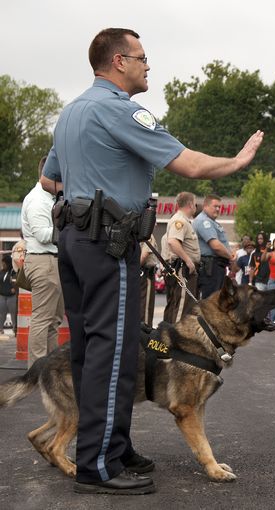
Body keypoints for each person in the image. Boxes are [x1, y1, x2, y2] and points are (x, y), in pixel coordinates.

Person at [40, 28, 262, 494]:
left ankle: (114, 448)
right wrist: (238, 161)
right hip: (108, 244)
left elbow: (48, 180)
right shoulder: (119, 109)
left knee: (92, 348)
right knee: (114, 350)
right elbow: (192, 166)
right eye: (142, 57)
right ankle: (99, 465)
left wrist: (91, 197)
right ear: (118, 61)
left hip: (76, 241)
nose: (148, 65)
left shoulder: (72, 112)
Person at [20, 157, 64, 368]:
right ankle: (36, 371)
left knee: (53, 321)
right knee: (42, 320)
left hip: (51, 262)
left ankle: (49, 370)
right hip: (43, 261)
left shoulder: (49, 198)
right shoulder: (38, 200)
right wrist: (68, 230)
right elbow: (41, 234)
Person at [163, 192, 201, 323]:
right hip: (183, 268)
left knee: (180, 306)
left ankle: (171, 339)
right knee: (181, 308)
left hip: (184, 268)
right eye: (195, 203)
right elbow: (173, 241)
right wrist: (188, 260)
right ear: (190, 204)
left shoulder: (183, 221)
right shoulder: (179, 220)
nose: (195, 206)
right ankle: (174, 341)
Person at [194, 194, 233, 298]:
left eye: (219, 207)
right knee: (211, 302)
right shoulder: (204, 221)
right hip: (210, 268)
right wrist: (231, 258)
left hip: (215, 267)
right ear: (205, 206)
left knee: (216, 300)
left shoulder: (211, 222)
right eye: (215, 206)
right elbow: (216, 246)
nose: (218, 209)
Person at [139, 235, 158, 328]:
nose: (156, 224)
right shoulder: (147, 234)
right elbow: (144, 255)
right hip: (145, 274)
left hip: (137, 274)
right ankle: (144, 338)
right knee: (145, 309)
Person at [0, 255, 17, 338]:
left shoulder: (13, 272)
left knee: (13, 314)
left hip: (11, 296)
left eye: (4, 263)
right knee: (1, 313)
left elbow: (17, 282)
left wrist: (14, 288)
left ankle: (15, 329)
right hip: (2, 295)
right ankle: (0, 329)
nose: (3, 265)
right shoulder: (1, 272)